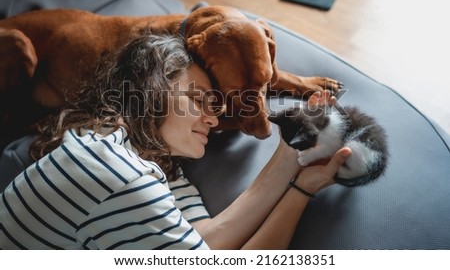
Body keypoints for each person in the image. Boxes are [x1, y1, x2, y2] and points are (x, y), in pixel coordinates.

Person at [0, 34, 351, 249]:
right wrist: (302, 192)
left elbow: (209, 240)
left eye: (215, 107)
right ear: (151, 91)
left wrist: (291, 158)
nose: (213, 120)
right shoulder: (117, 172)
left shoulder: (155, 163)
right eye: (199, 100)